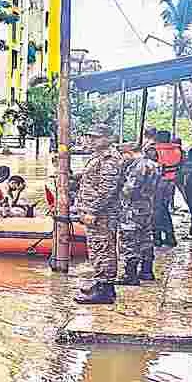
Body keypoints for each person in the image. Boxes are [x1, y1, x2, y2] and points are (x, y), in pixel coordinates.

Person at [73, 124, 125, 305]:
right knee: (97, 249)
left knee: (104, 249)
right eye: (90, 137)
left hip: (101, 214)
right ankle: (100, 282)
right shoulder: (98, 157)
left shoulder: (110, 159)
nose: (91, 140)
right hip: (94, 212)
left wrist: (92, 211)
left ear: (108, 138)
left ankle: (106, 290)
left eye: (96, 137)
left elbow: (107, 190)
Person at [117, 142, 162, 285]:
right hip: (147, 206)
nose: (122, 158)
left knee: (129, 240)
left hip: (133, 208)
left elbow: (130, 189)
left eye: (123, 155)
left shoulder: (138, 166)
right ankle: (147, 271)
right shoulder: (153, 164)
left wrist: (119, 196)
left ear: (129, 152)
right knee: (146, 238)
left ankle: (130, 275)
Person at [153, 130, 183, 247]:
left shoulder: (154, 150)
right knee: (163, 208)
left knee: (158, 210)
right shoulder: (177, 149)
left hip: (157, 182)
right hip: (171, 182)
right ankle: (167, 236)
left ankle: (160, 237)